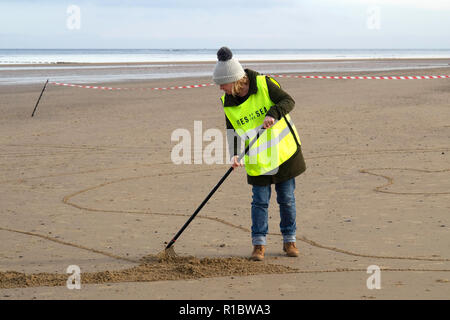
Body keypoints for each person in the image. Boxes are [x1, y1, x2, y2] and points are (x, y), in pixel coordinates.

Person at [212, 47, 307, 261]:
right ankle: (259, 245)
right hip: (256, 159)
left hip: (284, 154)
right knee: (259, 202)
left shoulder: (265, 84)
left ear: (234, 80)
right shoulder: (227, 102)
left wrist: (272, 114)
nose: (220, 88)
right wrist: (235, 154)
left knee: (287, 199)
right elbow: (232, 130)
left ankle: (289, 241)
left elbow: (288, 101)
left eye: (222, 84)